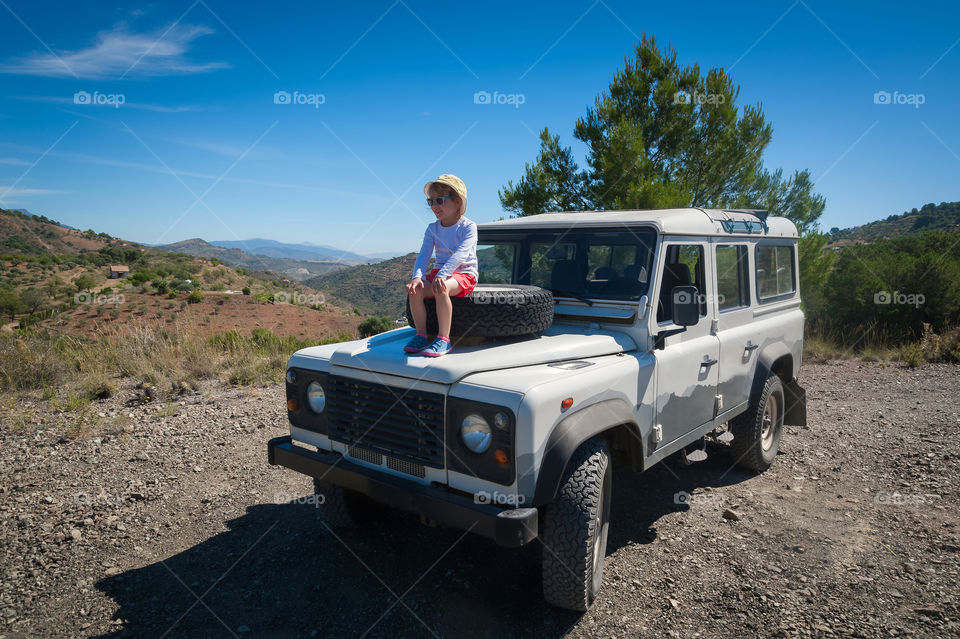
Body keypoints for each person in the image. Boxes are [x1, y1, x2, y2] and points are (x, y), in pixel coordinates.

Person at [404, 174, 478, 357]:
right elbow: (424, 255)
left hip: (464, 273)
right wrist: (417, 277)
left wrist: (443, 275)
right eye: (431, 201)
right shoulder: (432, 229)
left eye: (439, 200)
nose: (434, 206)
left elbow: (461, 254)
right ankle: (421, 335)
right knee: (416, 290)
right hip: (440, 273)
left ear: (457, 202)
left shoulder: (469, 227)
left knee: (441, 288)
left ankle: (444, 339)